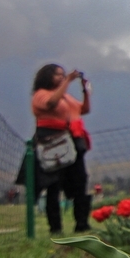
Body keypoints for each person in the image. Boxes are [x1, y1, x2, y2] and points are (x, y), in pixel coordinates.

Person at [31, 63, 93, 234]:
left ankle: (82, 223)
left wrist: (85, 91)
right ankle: (55, 227)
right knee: (53, 185)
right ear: (47, 76)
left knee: (80, 181)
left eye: (63, 75)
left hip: (71, 142)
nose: (61, 77)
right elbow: (51, 103)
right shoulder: (40, 95)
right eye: (58, 75)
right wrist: (68, 81)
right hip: (51, 143)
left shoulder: (66, 98)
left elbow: (83, 110)